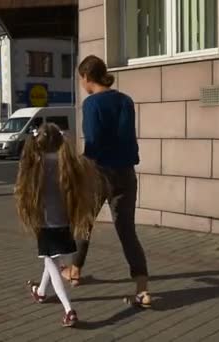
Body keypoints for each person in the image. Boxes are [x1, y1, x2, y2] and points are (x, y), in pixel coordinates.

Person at [61, 55, 151, 308]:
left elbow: (93, 141)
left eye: (81, 78)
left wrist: (79, 166)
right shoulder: (125, 100)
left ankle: (75, 271)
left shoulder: (92, 104)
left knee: (84, 221)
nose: (81, 83)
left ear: (86, 77)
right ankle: (143, 289)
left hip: (99, 173)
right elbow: (128, 138)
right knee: (127, 231)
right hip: (126, 173)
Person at [15, 123, 104, 327]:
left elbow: (23, 189)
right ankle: (40, 293)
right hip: (65, 221)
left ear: (39, 142)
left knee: (52, 263)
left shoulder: (36, 165)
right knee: (52, 259)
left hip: (45, 223)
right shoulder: (68, 163)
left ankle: (69, 309)